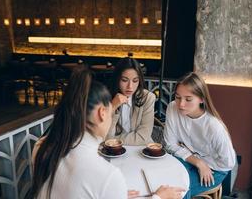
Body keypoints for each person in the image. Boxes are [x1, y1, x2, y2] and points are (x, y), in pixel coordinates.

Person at [31, 66, 184, 199]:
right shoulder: (107, 175)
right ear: (102, 113)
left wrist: (114, 193)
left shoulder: (41, 146)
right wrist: (158, 197)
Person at [164, 72, 236, 198]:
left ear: (202, 99)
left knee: (180, 187)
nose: (181, 104)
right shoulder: (172, 108)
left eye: (188, 99)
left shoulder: (214, 127)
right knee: (160, 179)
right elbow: (170, 144)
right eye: (177, 97)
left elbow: (228, 163)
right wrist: (198, 162)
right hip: (189, 158)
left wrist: (204, 165)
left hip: (216, 168)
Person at [106, 57, 156, 145]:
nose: (130, 86)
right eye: (124, 80)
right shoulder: (106, 97)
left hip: (141, 150)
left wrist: (113, 140)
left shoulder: (148, 98)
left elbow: (143, 137)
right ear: (117, 79)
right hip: (113, 150)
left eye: (135, 81)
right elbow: (105, 134)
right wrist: (113, 107)